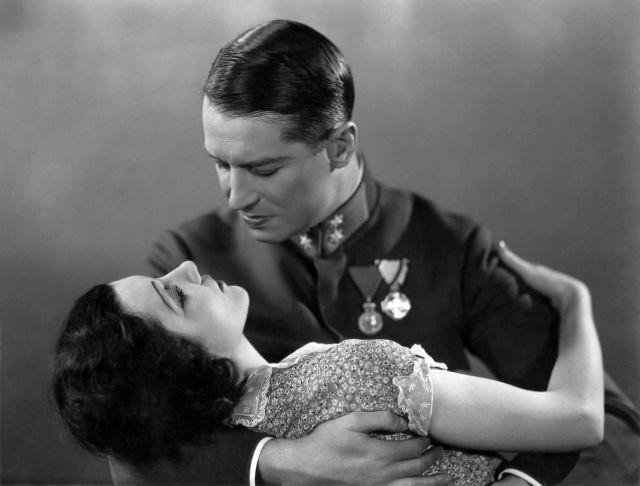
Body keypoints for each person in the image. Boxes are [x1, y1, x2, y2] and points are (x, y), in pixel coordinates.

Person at [120, 19, 639, 486]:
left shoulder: (450, 247)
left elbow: (612, 427)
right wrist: (283, 463)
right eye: (220, 164)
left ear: (340, 147)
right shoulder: (191, 262)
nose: (235, 197)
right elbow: (126, 446)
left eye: (264, 169)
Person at [53, 248, 604, 486]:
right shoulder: (363, 375)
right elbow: (580, 419)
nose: (187, 267)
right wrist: (575, 303)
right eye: (174, 295)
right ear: (176, 362)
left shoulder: (204, 447)